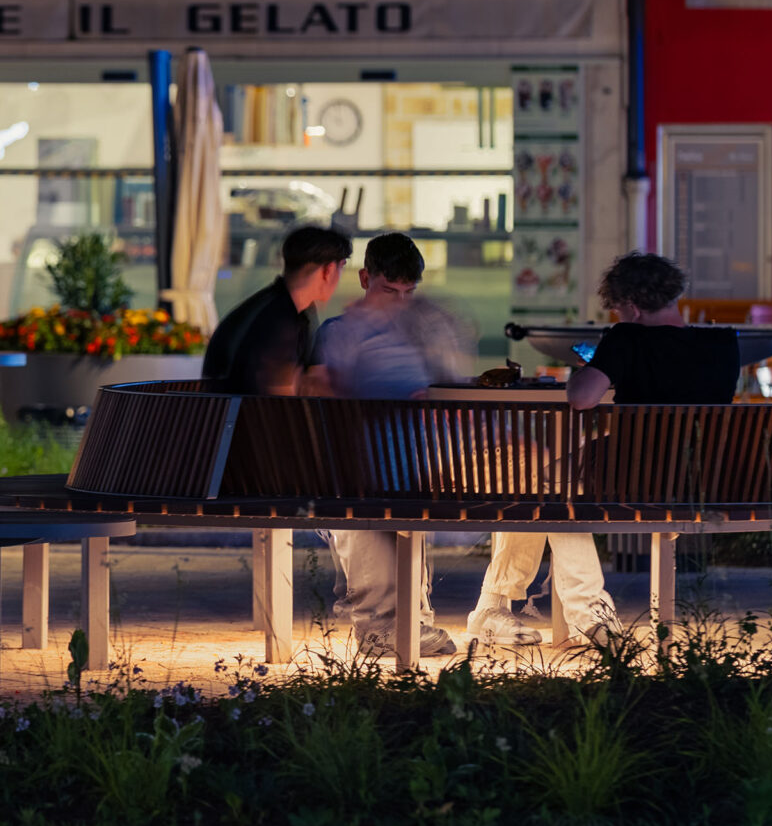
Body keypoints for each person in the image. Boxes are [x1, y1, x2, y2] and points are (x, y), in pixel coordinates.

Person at [467, 251, 741, 648]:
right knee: (547, 485)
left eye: (615, 309)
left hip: (635, 477)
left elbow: (582, 397)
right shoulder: (722, 343)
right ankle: (515, 608)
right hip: (701, 478)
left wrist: (596, 362)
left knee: (544, 485)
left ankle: (582, 614)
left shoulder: (627, 337)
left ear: (629, 305)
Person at [307, 233, 466, 658]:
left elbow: (451, 388)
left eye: (408, 293)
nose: (399, 302)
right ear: (365, 278)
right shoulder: (340, 331)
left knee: (405, 489)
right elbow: (328, 395)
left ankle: (407, 620)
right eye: (389, 290)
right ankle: (383, 624)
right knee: (372, 495)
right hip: (360, 461)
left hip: (411, 460)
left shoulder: (421, 331)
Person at [202, 226, 351, 395]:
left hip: (230, 413)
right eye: (342, 267)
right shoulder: (279, 320)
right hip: (243, 417)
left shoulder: (287, 308)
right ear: (328, 270)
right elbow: (279, 397)